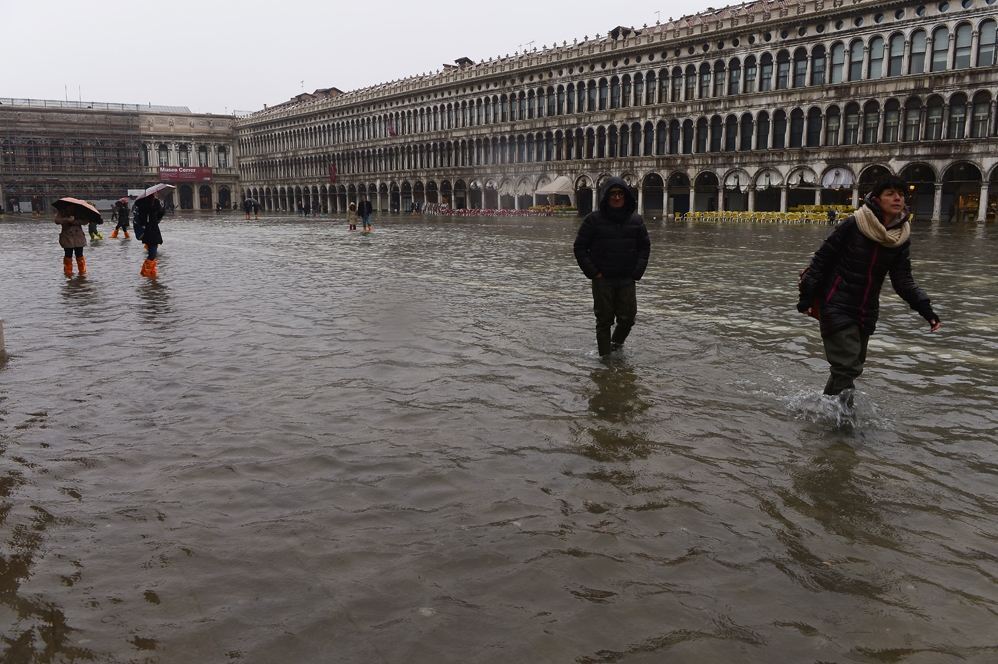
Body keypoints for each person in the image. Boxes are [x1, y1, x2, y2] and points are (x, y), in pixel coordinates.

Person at [797, 176, 941, 401]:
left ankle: (827, 409)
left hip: (866, 309)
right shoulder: (854, 223)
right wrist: (806, 297)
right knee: (847, 366)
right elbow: (821, 260)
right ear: (876, 199)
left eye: (901, 194)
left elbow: (902, 279)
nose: (897, 198)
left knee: (853, 366)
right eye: (890, 193)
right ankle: (842, 422)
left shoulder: (901, 236)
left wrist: (925, 309)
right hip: (836, 303)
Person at [573, 177, 651, 356]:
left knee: (628, 319)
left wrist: (637, 272)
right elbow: (579, 247)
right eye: (613, 194)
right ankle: (605, 362)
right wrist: (594, 273)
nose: (617, 198)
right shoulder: (593, 220)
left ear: (626, 196)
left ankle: (615, 345)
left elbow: (644, 247)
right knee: (604, 321)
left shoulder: (636, 220)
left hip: (627, 278)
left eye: (620, 194)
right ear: (606, 196)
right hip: (603, 279)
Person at [134, 194, 166, 278]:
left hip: (154, 231)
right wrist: (149, 210)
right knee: (152, 254)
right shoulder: (143, 207)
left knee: (152, 253)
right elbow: (142, 221)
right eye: (153, 196)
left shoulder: (155, 205)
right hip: (148, 232)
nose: (154, 197)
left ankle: (150, 274)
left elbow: (157, 218)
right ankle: (146, 272)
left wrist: (161, 211)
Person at [55, 205, 88, 277]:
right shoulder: (62, 211)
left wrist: (74, 221)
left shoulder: (79, 211)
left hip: (78, 237)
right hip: (66, 237)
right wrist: (67, 220)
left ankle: (82, 273)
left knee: (79, 255)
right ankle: (68, 273)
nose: (70, 207)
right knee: (68, 255)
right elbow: (57, 221)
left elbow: (85, 221)